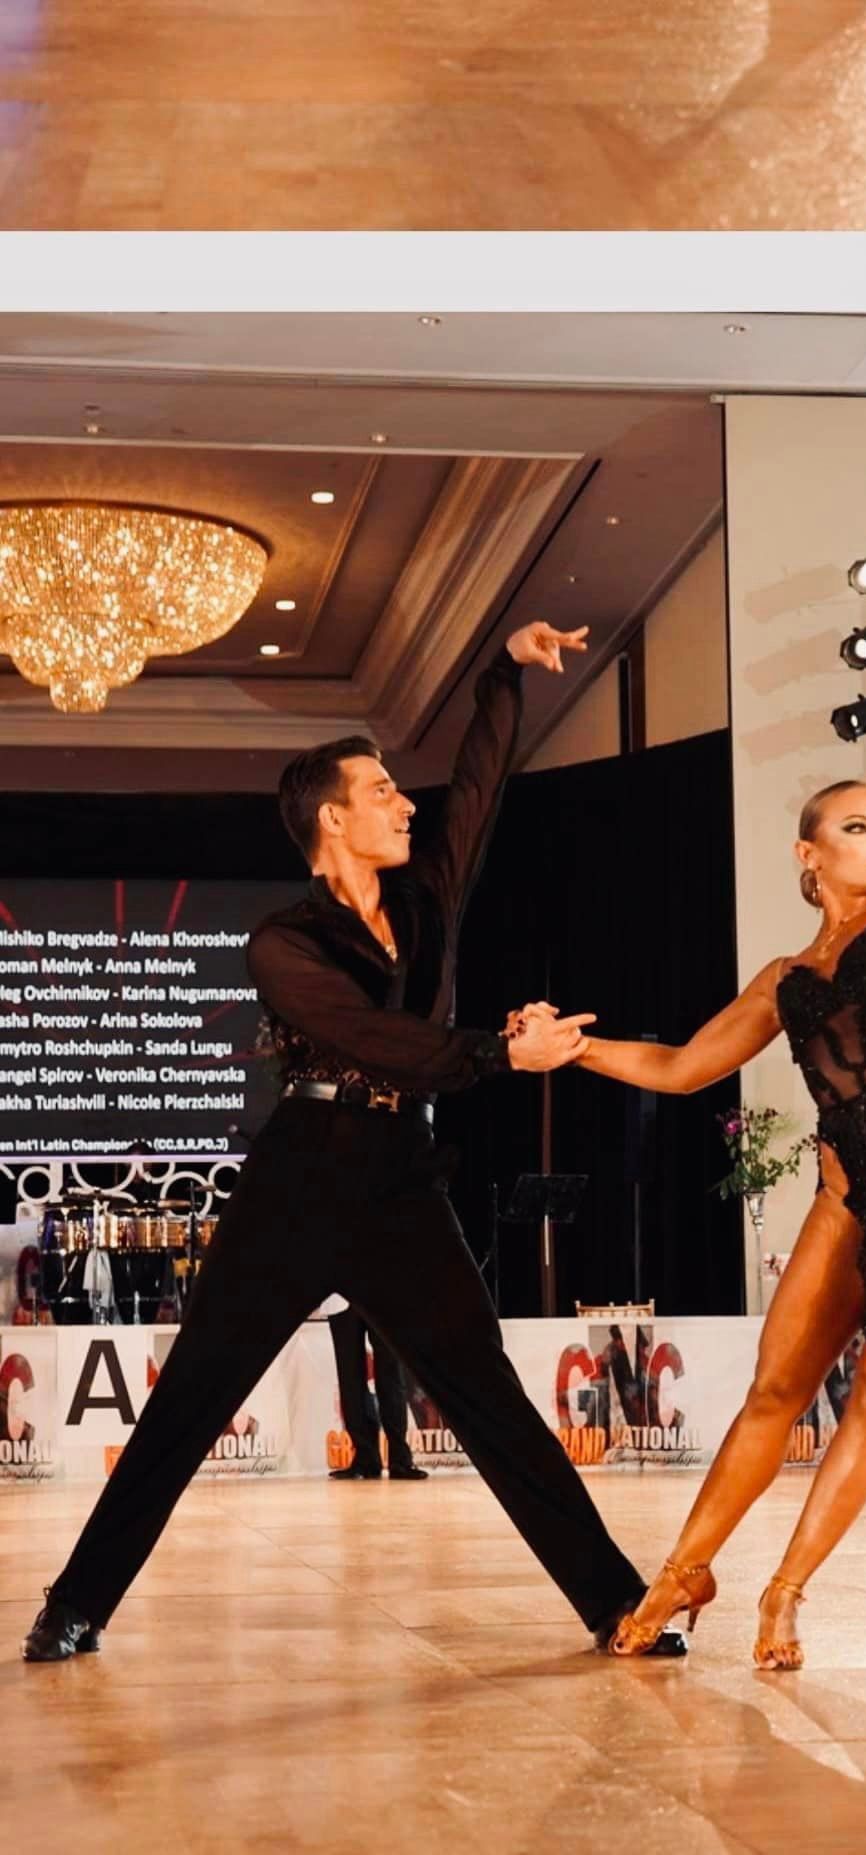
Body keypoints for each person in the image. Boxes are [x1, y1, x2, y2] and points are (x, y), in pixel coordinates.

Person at [24, 621, 685, 1663]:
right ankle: (75, 1601)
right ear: (332, 817)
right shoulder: (281, 942)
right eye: (381, 791)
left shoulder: (424, 904)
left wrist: (503, 674)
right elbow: (376, 1039)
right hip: (301, 1178)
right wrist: (500, 1053)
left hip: (401, 1181)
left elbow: (476, 794)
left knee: (489, 1396)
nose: (404, 803)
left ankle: (616, 1604)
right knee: (194, 1397)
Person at [553, 593, 866, 1667]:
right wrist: (568, 1049)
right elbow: (680, 1066)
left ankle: (785, 1591)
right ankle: (683, 1572)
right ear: (807, 854)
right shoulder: (783, 978)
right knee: (775, 1389)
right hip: (848, 1187)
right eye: (856, 826)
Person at [326, 1299, 427, 1480]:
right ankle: (365, 1459)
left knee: (391, 1374)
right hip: (341, 1296)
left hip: (383, 1292)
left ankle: (400, 1458)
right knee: (350, 1375)